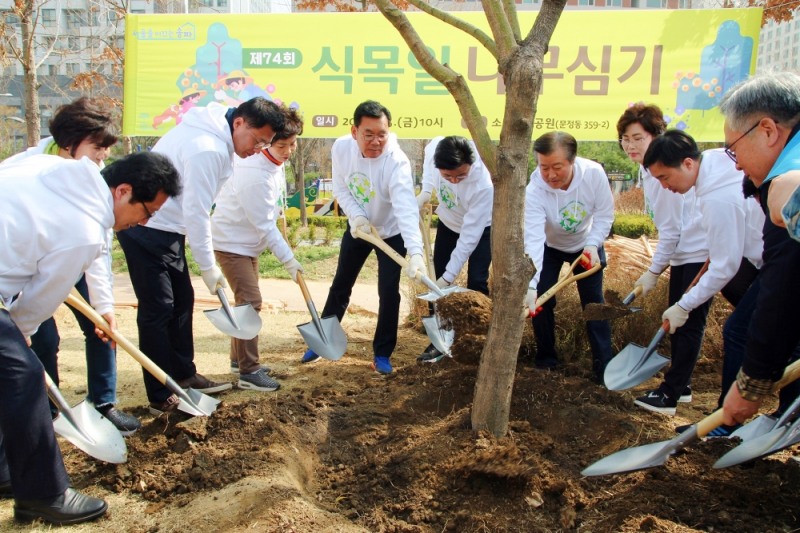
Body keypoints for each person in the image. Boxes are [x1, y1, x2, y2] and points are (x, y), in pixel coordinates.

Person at [0, 151, 180, 525]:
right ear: (123, 190)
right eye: (147, 212)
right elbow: (39, 301)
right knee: (24, 377)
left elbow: (90, 253)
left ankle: (4, 470)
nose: (144, 222)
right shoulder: (81, 229)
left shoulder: (58, 172)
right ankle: (43, 495)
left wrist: (103, 303)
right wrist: (22, 332)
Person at [117, 97, 286, 414]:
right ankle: (160, 394)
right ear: (239, 123)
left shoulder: (219, 134)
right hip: (145, 226)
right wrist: (209, 268)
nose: (259, 148)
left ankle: (184, 375)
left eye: (266, 143)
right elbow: (197, 212)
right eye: (258, 140)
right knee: (159, 310)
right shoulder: (206, 147)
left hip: (168, 228)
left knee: (182, 300)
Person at [1, 97, 140, 435]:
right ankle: (48, 412)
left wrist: (103, 303)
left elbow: (97, 243)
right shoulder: (28, 164)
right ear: (69, 142)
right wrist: (22, 327)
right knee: (41, 340)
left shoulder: (91, 174)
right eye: (98, 146)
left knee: (101, 329)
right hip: (30, 264)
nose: (104, 155)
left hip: (74, 257)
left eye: (106, 147)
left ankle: (103, 403)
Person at [642, 130, 768, 428]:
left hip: (778, 257)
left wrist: (684, 306)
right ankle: (779, 413)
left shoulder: (716, 197)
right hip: (762, 255)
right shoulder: (711, 163)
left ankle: (727, 422)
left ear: (687, 164)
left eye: (665, 178)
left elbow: (725, 266)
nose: (664, 186)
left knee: (737, 331)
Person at [300, 100, 425, 375]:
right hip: (359, 229)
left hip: (391, 233)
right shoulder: (342, 148)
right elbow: (341, 187)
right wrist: (356, 217)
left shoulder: (397, 162)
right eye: (369, 134)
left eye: (382, 134)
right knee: (341, 283)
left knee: (388, 293)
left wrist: (415, 252)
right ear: (354, 131)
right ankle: (324, 340)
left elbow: (405, 208)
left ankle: (382, 353)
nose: (376, 141)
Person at [714, 72, 800, 427]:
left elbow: (783, 290)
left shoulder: (787, 184)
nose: (736, 164)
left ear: (767, 130)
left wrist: (751, 385)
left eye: (734, 148)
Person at [616, 104, 709, 415]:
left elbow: (671, 231)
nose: (629, 145)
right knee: (679, 323)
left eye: (637, 138)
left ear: (656, 136)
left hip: (698, 253)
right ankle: (680, 385)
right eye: (625, 139)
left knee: (688, 322)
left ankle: (670, 394)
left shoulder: (662, 174)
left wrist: (653, 272)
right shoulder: (649, 171)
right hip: (684, 254)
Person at [210, 105, 304, 392]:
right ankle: (249, 372)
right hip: (230, 243)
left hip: (247, 244)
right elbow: (265, 225)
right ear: (267, 141)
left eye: (292, 143)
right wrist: (290, 262)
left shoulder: (273, 164)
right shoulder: (254, 173)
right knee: (251, 302)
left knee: (244, 303)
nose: (288, 151)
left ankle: (239, 360)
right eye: (281, 145)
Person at [523, 131, 614, 382]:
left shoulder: (593, 174)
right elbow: (533, 238)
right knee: (541, 301)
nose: (550, 175)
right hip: (549, 247)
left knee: (593, 303)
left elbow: (605, 215)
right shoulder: (534, 190)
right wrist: (531, 284)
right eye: (544, 167)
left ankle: (604, 367)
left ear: (572, 161)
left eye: (557, 167)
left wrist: (594, 245)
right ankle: (546, 360)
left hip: (586, 245)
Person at [415, 135, 493, 363]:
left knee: (477, 282)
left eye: (461, 175)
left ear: (471, 165)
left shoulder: (482, 185)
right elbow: (430, 160)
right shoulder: (434, 149)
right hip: (449, 224)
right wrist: (427, 191)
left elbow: (469, 236)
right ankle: (440, 341)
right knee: (435, 280)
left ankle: (477, 340)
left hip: (481, 229)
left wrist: (449, 278)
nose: (455, 181)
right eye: (447, 176)